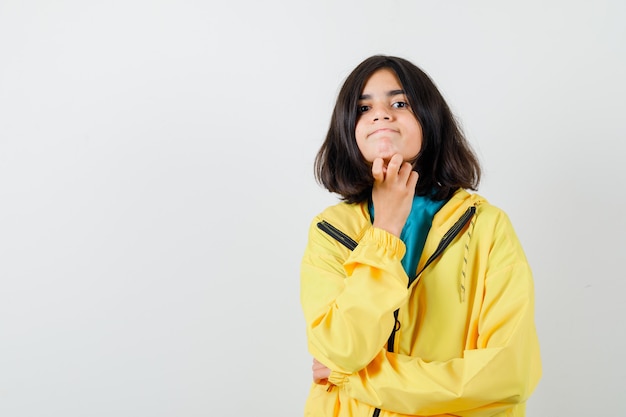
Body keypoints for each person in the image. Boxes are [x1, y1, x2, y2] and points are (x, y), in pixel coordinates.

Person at [299, 55, 542, 417]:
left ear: (430, 119)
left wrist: (357, 380)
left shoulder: (487, 227)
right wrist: (386, 229)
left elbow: (509, 375)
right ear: (348, 128)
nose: (381, 114)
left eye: (399, 103)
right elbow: (341, 349)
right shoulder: (329, 231)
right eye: (364, 108)